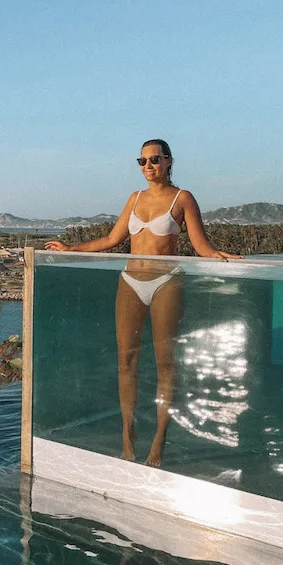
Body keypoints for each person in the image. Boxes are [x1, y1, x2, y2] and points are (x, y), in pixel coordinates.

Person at [45, 139, 240, 467]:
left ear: (168, 161)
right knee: (126, 360)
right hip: (130, 283)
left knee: (166, 362)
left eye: (154, 159)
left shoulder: (183, 199)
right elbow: (111, 239)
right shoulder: (134, 199)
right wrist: (69, 249)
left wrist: (221, 258)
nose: (148, 166)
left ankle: (160, 441)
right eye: (142, 161)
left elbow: (200, 246)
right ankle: (127, 431)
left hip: (166, 282)